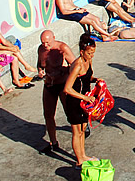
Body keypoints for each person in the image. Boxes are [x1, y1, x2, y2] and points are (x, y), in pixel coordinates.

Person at [37, 30, 76, 154]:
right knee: (48, 115)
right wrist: (40, 70)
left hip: (62, 84)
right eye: (43, 43)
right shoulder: (41, 49)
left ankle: (80, 132)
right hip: (49, 84)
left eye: (47, 42)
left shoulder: (62, 48)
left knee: (70, 113)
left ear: (54, 38)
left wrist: (65, 71)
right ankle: (53, 142)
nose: (45, 45)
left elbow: (76, 66)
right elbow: (40, 64)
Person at [63, 33, 99, 167]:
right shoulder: (77, 65)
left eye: (93, 53)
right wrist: (85, 97)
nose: (92, 56)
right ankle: (79, 159)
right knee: (76, 131)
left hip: (85, 101)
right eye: (89, 53)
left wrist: (96, 80)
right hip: (75, 101)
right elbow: (67, 88)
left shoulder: (88, 60)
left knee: (83, 129)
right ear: (81, 52)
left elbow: (88, 78)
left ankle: (83, 155)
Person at [0, 16, 37, 88]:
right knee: (14, 51)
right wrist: (10, 49)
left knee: (15, 58)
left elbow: (5, 41)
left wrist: (12, 46)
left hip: (1, 50)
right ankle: (26, 65)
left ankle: (16, 80)